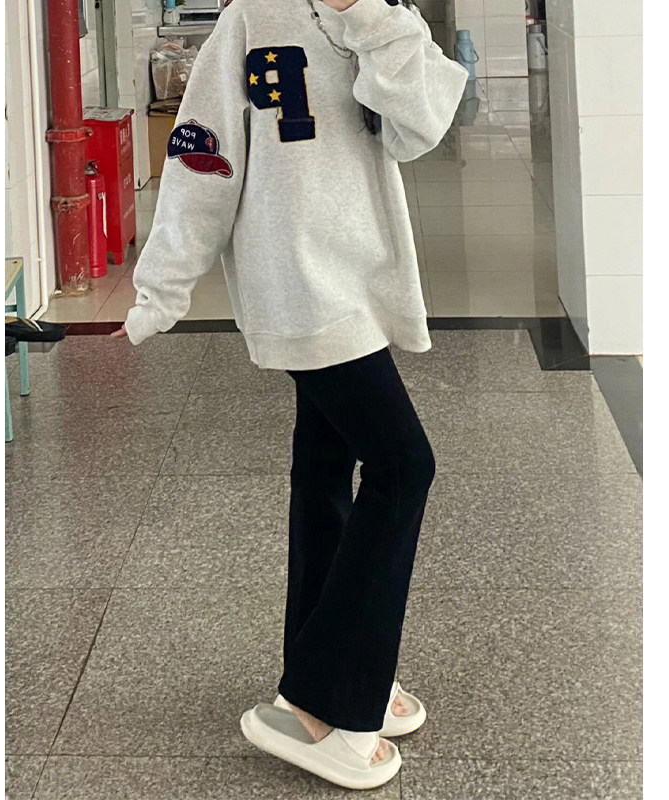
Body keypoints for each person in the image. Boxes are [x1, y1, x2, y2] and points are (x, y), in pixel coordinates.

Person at [112, 0, 467, 788]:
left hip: (362, 282)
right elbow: (203, 158)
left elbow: (419, 128)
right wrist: (161, 289)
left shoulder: (383, 17)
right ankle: (325, 700)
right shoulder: (250, 21)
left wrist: (369, 18)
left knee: (325, 473)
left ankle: (329, 670)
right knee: (403, 466)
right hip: (301, 288)